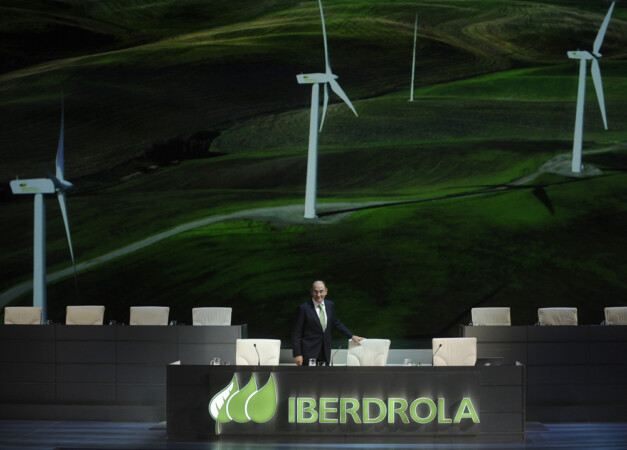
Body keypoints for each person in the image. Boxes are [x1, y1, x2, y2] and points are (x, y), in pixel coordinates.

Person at [291, 280, 363, 366]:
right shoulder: (303, 308)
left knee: (324, 374)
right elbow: (296, 333)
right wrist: (297, 354)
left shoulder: (330, 305)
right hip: (309, 353)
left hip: (325, 352)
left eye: (321, 291)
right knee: (309, 375)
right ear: (311, 292)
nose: (318, 295)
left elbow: (337, 323)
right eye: (315, 291)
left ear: (326, 291)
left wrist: (352, 336)